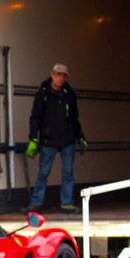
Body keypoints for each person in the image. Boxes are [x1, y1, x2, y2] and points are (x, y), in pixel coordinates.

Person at [25, 62, 87, 213]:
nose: (60, 78)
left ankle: (66, 203)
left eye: (64, 76)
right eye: (58, 75)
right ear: (52, 75)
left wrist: (81, 137)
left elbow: (74, 118)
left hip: (67, 140)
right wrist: (33, 138)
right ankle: (36, 204)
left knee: (68, 173)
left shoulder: (70, 95)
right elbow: (35, 118)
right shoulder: (42, 94)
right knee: (43, 173)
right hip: (48, 140)